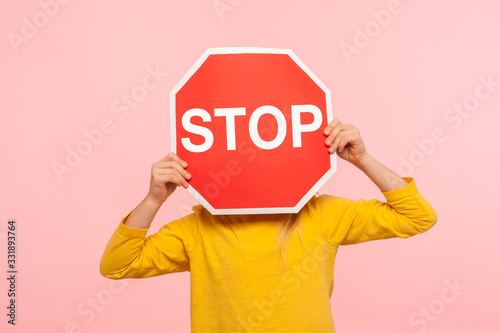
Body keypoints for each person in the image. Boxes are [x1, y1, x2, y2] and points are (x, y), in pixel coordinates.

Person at [100, 119, 438, 333]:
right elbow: (118, 265)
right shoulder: (197, 228)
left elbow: (417, 216)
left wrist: (361, 159)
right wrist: (153, 200)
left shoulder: (322, 214)